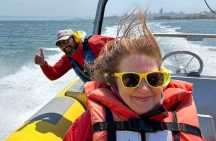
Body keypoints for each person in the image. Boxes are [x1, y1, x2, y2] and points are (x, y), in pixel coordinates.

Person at [63, 8, 204, 141]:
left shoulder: (182, 117)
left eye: (153, 78)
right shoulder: (88, 123)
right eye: (130, 79)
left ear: (163, 80)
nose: (144, 89)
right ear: (114, 82)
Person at [34, 28, 114, 82]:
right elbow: (53, 75)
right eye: (60, 44)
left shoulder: (94, 42)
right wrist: (43, 64)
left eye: (65, 41)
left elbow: (123, 47)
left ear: (75, 38)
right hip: (99, 90)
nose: (64, 46)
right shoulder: (68, 58)